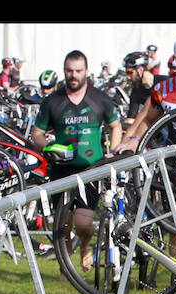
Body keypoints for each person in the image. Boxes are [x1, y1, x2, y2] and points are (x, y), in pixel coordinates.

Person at [30, 50, 123, 271]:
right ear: (64, 71)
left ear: (86, 72)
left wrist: (113, 151)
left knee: (83, 223)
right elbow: (37, 133)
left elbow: (116, 125)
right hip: (61, 169)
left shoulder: (100, 99)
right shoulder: (52, 101)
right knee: (63, 223)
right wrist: (48, 147)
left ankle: (85, 246)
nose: (73, 75)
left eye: (78, 71)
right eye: (69, 71)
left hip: (91, 169)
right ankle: (66, 265)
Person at [121, 51, 164, 128]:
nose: (128, 77)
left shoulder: (164, 82)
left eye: (130, 73)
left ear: (140, 70)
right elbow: (131, 119)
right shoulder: (136, 92)